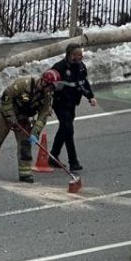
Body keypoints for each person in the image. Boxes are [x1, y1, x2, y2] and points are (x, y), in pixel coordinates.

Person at [0, 70, 59, 182]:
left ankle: (25, 173)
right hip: (6, 114)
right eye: (50, 87)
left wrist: (35, 132)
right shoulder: (23, 83)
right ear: (43, 82)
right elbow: (6, 98)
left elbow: (43, 115)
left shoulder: (47, 96)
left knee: (25, 144)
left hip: (23, 118)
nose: (51, 90)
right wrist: (11, 117)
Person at [49, 43, 97, 172]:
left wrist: (90, 97)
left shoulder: (81, 67)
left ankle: (53, 156)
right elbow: (48, 85)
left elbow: (83, 83)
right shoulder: (59, 67)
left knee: (64, 129)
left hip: (72, 104)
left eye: (81, 55)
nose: (81, 57)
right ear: (71, 55)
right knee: (68, 130)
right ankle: (73, 161)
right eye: (78, 55)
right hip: (60, 104)